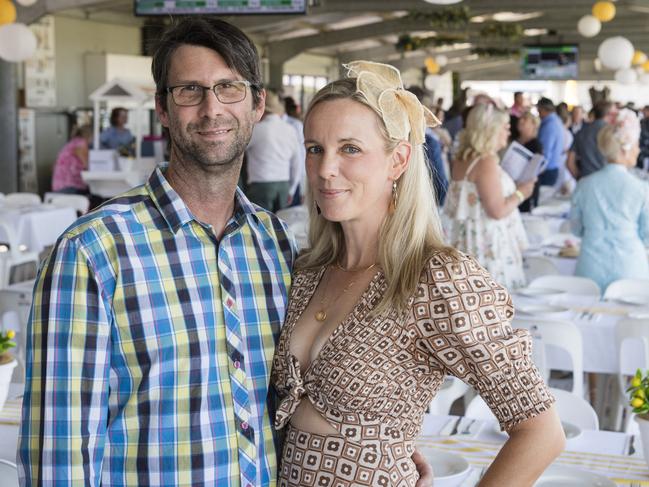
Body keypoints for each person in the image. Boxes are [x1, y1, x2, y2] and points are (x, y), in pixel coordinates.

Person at [18, 18, 433, 487]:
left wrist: (373, 445)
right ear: (162, 108)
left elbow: (293, 391)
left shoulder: (272, 242)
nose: (211, 108)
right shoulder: (94, 250)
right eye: (189, 90)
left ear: (257, 104)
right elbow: (58, 452)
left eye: (229, 88)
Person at [271, 61, 564, 487]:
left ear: (398, 161)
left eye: (350, 148)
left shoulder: (436, 278)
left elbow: (541, 431)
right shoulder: (307, 270)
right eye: (315, 148)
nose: (325, 168)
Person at [443, 103, 535, 290]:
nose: (508, 133)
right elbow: (497, 210)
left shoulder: (463, 159)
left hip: (469, 242)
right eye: (505, 127)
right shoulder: (485, 161)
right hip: (488, 245)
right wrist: (521, 193)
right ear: (490, 130)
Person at [571, 109, 649, 291]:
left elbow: (576, 229)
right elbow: (647, 234)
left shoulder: (584, 184)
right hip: (630, 267)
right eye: (636, 145)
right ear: (624, 149)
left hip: (590, 266)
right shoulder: (641, 188)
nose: (638, 150)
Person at [245, 90, 302, 212]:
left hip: (261, 184)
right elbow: (297, 162)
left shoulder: (257, 129)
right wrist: (292, 189)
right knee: (280, 224)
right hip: (283, 185)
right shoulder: (290, 130)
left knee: (261, 224)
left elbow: (239, 150)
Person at [566, 101, 611, 180]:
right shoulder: (612, 132)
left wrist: (579, 178)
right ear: (609, 114)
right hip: (607, 180)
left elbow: (570, 162)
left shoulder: (581, 132)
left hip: (586, 179)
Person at [51, 123, 92, 194]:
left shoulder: (72, 142)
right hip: (70, 185)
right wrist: (88, 167)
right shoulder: (81, 142)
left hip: (59, 185)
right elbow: (79, 153)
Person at [515, 112, 543, 212]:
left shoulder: (535, 144)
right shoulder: (515, 140)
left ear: (533, 124)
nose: (521, 121)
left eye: (525, 119)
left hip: (526, 187)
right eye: (521, 118)